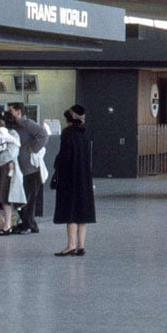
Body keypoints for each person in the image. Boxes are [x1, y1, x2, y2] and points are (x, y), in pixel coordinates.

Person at [52, 105, 95, 256]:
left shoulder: (67, 133)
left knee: (70, 210)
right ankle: (81, 245)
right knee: (82, 211)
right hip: (85, 177)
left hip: (70, 177)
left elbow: (65, 156)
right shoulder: (85, 133)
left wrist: (56, 164)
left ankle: (70, 245)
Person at [8, 102, 48, 233]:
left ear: (19, 112)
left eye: (11, 111)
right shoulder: (16, 126)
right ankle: (30, 223)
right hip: (23, 167)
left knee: (27, 196)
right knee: (26, 196)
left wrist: (34, 148)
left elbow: (43, 134)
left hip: (30, 168)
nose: (9, 114)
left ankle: (27, 224)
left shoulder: (27, 124)